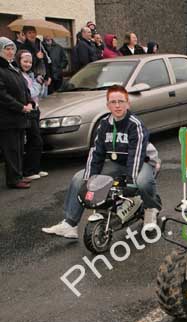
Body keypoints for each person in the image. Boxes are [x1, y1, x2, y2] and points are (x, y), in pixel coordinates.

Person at [42, 85, 162, 238]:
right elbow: (96, 153)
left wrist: (131, 181)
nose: (117, 105)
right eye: (113, 102)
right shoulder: (103, 125)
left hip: (143, 162)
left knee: (143, 182)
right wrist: (89, 178)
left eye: (121, 101)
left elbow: (136, 154)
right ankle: (70, 224)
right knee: (79, 178)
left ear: (128, 104)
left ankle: (151, 209)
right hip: (118, 163)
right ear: (107, 105)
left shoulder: (135, 124)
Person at [0, 37, 35, 189]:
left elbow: (24, 87)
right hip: (7, 118)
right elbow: (2, 95)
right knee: (11, 149)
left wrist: (29, 102)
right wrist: (21, 107)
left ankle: (18, 175)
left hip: (19, 116)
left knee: (19, 148)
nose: (10, 52)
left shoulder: (12, 67)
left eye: (12, 49)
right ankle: (13, 179)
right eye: (7, 49)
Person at [16, 50, 48, 181]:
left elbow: (40, 95)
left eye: (30, 62)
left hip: (36, 109)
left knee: (35, 140)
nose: (28, 64)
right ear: (19, 61)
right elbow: (31, 92)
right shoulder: (19, 76)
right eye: (25, 61)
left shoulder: (29, 75)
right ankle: (29, 170)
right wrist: (37, 83)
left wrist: (42, 83)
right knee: (35, 141)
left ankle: (35, 168)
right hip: (28, 111)